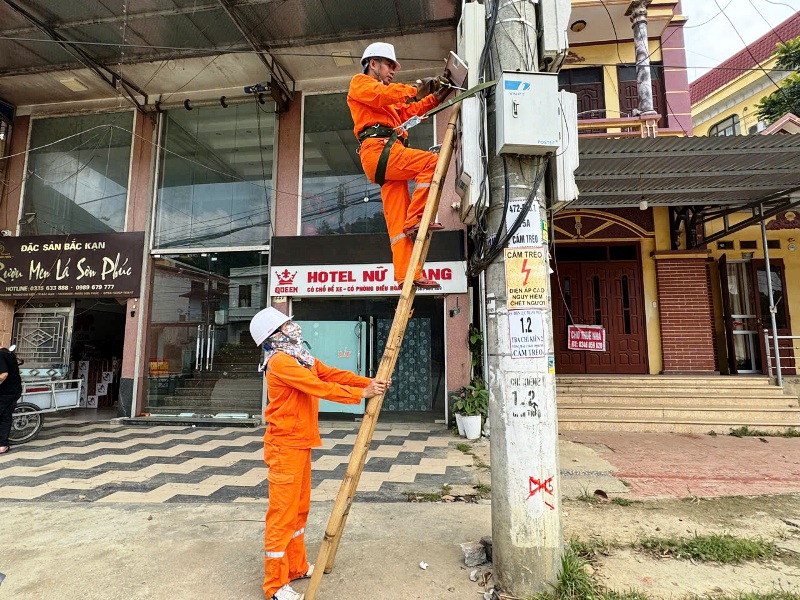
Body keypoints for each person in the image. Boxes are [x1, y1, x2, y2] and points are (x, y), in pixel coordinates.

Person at [250, 307, 390, 600]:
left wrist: (366, 382)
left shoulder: (300, 357)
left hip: (300, 443)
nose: (293, 327)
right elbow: (318, 387)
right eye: (286, 325)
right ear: (274, 336)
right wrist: (358, 396)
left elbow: (329, 373)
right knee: (282, 515)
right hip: (284, 446)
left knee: (299, 510)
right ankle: (275, 585)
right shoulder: (280, 363)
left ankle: (296, 567)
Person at [348, 42, 452, 289]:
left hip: (385, 154)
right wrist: (415, 89)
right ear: (373, 64)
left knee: (397, 226)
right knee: (431, 162)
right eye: (389, 65)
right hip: (379, 150)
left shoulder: (387, 98)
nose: (392, 70)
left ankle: (407, 274)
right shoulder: (360, 84)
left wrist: (435, 97)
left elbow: (410, 111)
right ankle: (416, 220)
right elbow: (386, 94)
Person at [0, 346, 23, 455]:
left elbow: (4, 374)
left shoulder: (1, 355)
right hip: (13, 390)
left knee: (4, 416)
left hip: (6, 392)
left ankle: (2, 445)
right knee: (5, 416)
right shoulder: (8, 354)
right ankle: (2, 445)